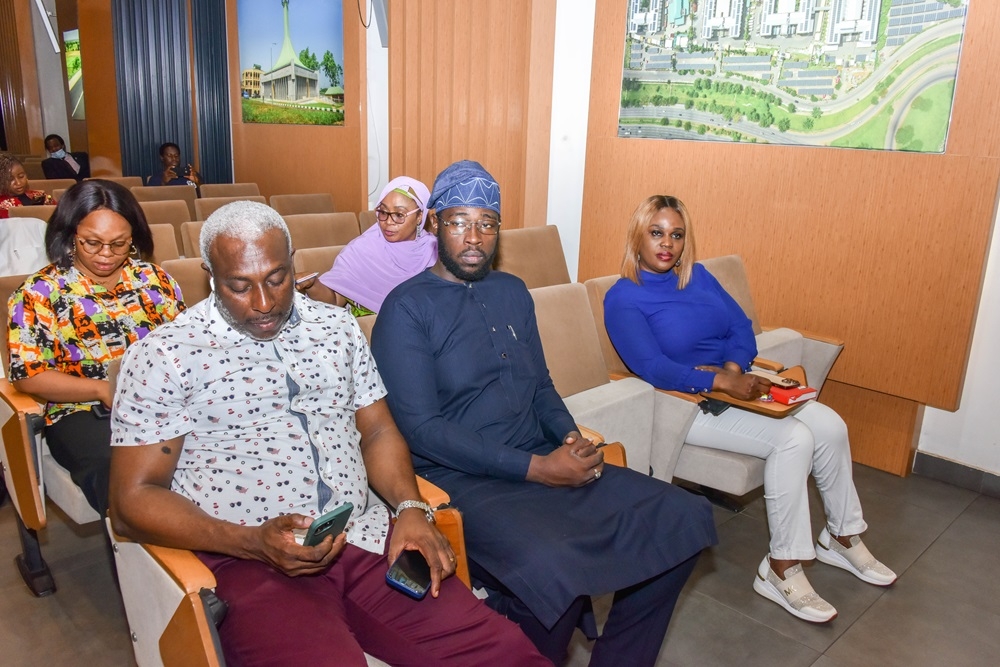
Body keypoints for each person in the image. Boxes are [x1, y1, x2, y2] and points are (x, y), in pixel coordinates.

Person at [108, 201, 547, 667]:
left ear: (293, 260)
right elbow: (132, 500)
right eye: (239, 285)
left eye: (277, 278)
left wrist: (411, 507)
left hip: (365, 537)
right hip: (249, 561)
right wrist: (251, 542)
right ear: (209, 273)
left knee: (509, 653)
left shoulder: (337, 328)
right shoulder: (165, 355)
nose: (263, 302)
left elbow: (377, 430)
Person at [371, 161, 717, 666]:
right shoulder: (405, 309)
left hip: (539, 455)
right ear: (433, 224)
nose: (475, 237)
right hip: (463, 479)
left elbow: (541, 386)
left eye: (487, 223)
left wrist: (570, 436)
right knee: (555, 565)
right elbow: (423, 432)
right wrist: (540, 470)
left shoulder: (511, 291)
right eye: (459, 221)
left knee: (683, 518)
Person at [603, 195, 897, 624]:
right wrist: (718, 382)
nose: (667, 244)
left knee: (830, 424)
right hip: (684, 404)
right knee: (794, 438)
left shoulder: (699, 277)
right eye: (656, 232)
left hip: (734, 384)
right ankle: (782, 568)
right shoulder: (623, 297)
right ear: (637, 236)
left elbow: (740, 327)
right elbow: (651, 367)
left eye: (677, 235)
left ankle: (842, 535)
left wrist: (733, 368)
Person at [6, 179, 184, 516]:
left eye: (119, 244)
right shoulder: (39, 293)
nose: (106, 255)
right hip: (84, 411)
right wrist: (102, 390)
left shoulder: (154, 280)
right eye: (93, 243)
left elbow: (183, 346)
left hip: (162, 401)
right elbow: (28, 376)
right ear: (70, 234)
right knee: (125, 478)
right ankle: (161, 559)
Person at [306, 176, 437, 315]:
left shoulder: (434, 252)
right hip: (366, 332)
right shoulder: (361, 250)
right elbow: (334, 300)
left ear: (419, 217)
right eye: (383, 212)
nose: (388, 222)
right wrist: (313, 285)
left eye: (399, 215)